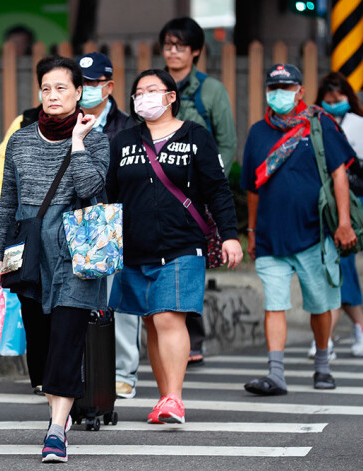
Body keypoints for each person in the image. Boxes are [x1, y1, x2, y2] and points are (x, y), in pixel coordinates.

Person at [0, 56, 109, 463]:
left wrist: (76, 144)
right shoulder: (20, 140)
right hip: (31, 255)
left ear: (79, 92)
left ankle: (56, 429)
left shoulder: (96, 137)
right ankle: (56, 402)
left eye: (61, 88)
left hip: (78, 253)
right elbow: (7, 206)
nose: (53, 95)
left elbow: (91, 188)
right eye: (46, 88)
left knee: (67, 340)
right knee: (40, 349)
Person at [106, 69, 242, 424]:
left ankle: (174, 397)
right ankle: (165, 398)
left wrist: (230, 235)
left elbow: (217, 190)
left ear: (170, 96)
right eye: (139, 92)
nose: (144, 97)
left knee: (168, 316)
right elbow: (109, 194)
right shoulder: (122, 141)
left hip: (182, 246)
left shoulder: (196, 137)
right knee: (152, 322)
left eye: (153, 89)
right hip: (134, 249)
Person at [241, 64, 357, 396]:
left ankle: (322, 365)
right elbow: (252, 188)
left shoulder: (320, 126)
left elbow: (339, 176)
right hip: (269, 237)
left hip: (315, 235)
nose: (279, 94)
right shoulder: (257, 132)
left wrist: (344, 224)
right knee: (274, 305)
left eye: (287, 87)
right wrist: (251, 232)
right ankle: (276, 373)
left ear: (300, 91)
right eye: (274, 87)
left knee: (320, 305)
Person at [160, 16, 238, 366]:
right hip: (159, 192)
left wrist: (207, 181)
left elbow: (227, 142)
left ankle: (194, 335)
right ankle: (168, 333)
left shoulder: (211, 90)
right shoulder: (153, 86)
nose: (173, 52)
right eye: (167, 45)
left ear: (195, 52)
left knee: (191, 261)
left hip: (197, 198)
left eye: (180, 46)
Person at [74, 51, 139, 399]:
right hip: (76, 223)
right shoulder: (65, 122)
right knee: (76, 300)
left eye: (93, 83)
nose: (86, 90)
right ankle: (82, 372)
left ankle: (124, 372)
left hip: (115, 220)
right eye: (81, 83)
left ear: (109, 86)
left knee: (120, 300)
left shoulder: (129, 127)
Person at [307, 72, 363, 358]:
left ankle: (329, 338)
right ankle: (332, 335)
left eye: (338, 99)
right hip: (321, 203)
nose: (333, 104)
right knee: (332, 266)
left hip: (350, 203)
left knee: (341, 265)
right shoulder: (315, 123)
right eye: (328, 100)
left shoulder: (357, 125)